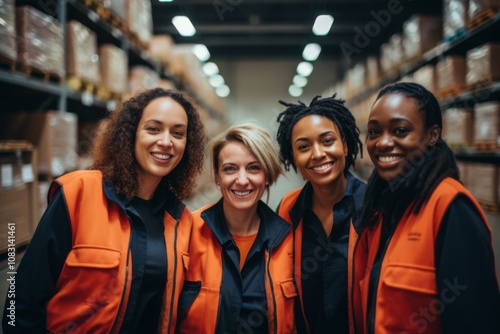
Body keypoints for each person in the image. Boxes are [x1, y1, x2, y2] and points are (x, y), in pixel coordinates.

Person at [2, 88, 206, 333]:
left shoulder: (180, 220)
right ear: (130, 134)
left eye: (178, 133)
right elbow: (21, 300)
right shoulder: (79, 192)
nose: (165, 141)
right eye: (153, 128)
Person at [353, 82, 500, 333]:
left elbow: (475, 319)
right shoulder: (380, 210)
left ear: (432, 135)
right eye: (374, 132)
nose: (383, 143)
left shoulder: (451, 207)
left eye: (400, 130)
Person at [176, 123, 296, 333]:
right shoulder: (187, 232)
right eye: (230, 168)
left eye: (254, 168)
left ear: (267, 176)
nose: (242, 180)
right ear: (217, 176)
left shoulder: (288, 241)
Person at [275, 94, 366, 334]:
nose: (317, 154)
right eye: (304, 147)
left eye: (327, 141)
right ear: (293, 157)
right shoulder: (288, 210)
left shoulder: (374, 208)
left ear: (345, 146)